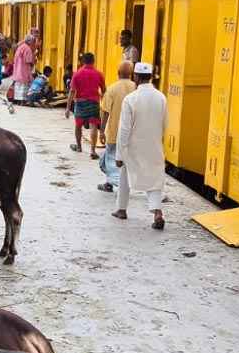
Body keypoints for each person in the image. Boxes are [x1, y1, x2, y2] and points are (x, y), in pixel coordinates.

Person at [113, 62, 168, 230]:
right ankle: (157, 211)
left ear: (135, 77)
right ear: (150, 77)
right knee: (155, 179)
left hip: (133, 147)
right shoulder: (161, 97)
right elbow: (164, 124)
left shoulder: (130, 99)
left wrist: (120, 155)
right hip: (153, 145)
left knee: (125, 173)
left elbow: (124, 130)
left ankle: (121, 209)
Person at [98, 61, 136, 193]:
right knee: (111, 160)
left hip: (114, 133)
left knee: (110, 159)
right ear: (131, 74)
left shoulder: (112, 89)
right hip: (132, 134)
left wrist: (101, 131)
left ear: (118, 73)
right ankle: (111, 183)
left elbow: (106, 112)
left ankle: (117, 184)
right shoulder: (136, 88)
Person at [64, 51, 107, 159]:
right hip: (94, 102)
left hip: (80, 102)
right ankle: (92, 150)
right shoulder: (99, 74)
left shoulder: (77, 74)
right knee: (93, 125)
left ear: (83, 61)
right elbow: (104, 90)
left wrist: (68, 108)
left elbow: (72, 92)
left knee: (78, 125)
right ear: (93, 61)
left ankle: (79, 147)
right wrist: (104, 104)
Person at [7, 35, 36, 114]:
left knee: (19, 86)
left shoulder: (20, 47)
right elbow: (29, 61)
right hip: (24, 70)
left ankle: (19, 101)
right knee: (24, 86)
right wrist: (33, 62)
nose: (34, 43)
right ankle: (23, 101)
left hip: (17, 70)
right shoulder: (27, 49)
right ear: (30, 41)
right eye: (33, 41)